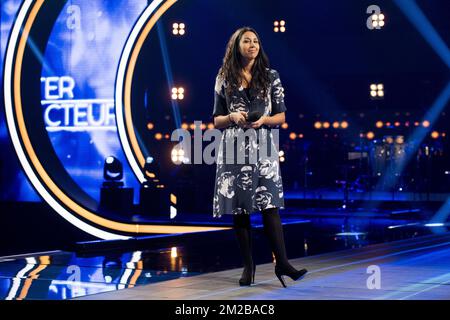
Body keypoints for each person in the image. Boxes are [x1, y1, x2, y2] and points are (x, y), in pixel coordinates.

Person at [211, 27, 307, 287]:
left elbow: (281, 117)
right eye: (247, 41)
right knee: (240, 209)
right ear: (236, 46)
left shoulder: (271, 76)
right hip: (233, 147)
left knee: (270, 206)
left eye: (256, 41)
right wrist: (231, 117)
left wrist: (264, 119)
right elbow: (216, 121)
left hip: (263, 147)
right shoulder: (224, 77)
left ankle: (283, 263)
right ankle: (248, 266)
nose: (252, 44)